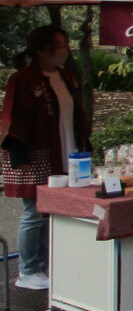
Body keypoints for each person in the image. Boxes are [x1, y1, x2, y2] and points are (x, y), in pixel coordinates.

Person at [1, 25, 91, 291]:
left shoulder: (67, 78)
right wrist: (19, 156)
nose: (64, 49)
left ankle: (50, 264)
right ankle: (29, 270)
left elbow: (76, 117)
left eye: (65, 44)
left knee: (58, 212)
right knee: (34, 212)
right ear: (42, 50)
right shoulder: (23, 79)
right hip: (36, 155)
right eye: (58, 44)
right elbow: (14, 118)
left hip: (68, 154)